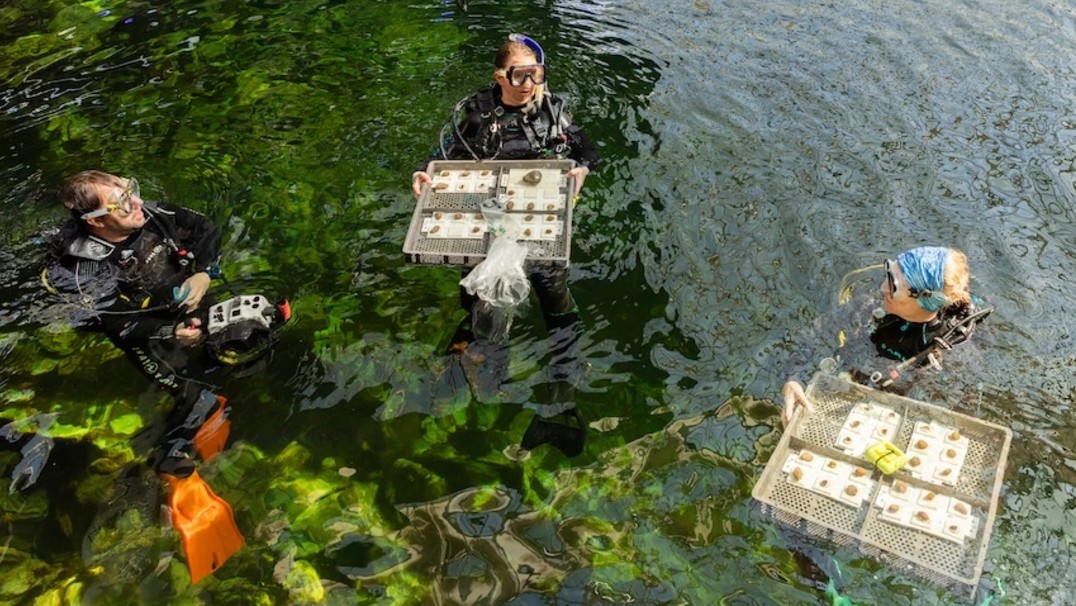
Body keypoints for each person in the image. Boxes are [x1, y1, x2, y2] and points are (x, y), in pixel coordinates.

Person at [41, 170, 251, 583]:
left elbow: (206, 229)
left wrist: (204, 273)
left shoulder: (153, 215)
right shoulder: (84, 268)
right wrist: (168, 331)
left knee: (254, 333)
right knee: (200, 396)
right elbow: (109, 323)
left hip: (184, 301)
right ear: (97, 221)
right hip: (146, 334)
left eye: (131, 190)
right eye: (121, 202)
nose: (136, 202)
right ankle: (172, 470)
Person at [411, 34, 599, 453]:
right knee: (479, 301)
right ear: (500, 76)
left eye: (537, 74)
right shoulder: (478, 114)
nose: (530, 83)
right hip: (488, 223)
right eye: (520, 75)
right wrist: (424, 173)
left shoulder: (554, 112)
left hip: (542, 219)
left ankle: (563, 400)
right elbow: (442, 157)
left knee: (555, 299)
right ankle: (480, 370)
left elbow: (588, 151)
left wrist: (582, 169)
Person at [780, 246, 990, 426]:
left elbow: (964, 411)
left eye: (894, 286)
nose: (882, 288)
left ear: (925, 299)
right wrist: (792, 378)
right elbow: (813, 336)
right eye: (889, 273)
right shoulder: (869, 305)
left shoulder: (952, 351)